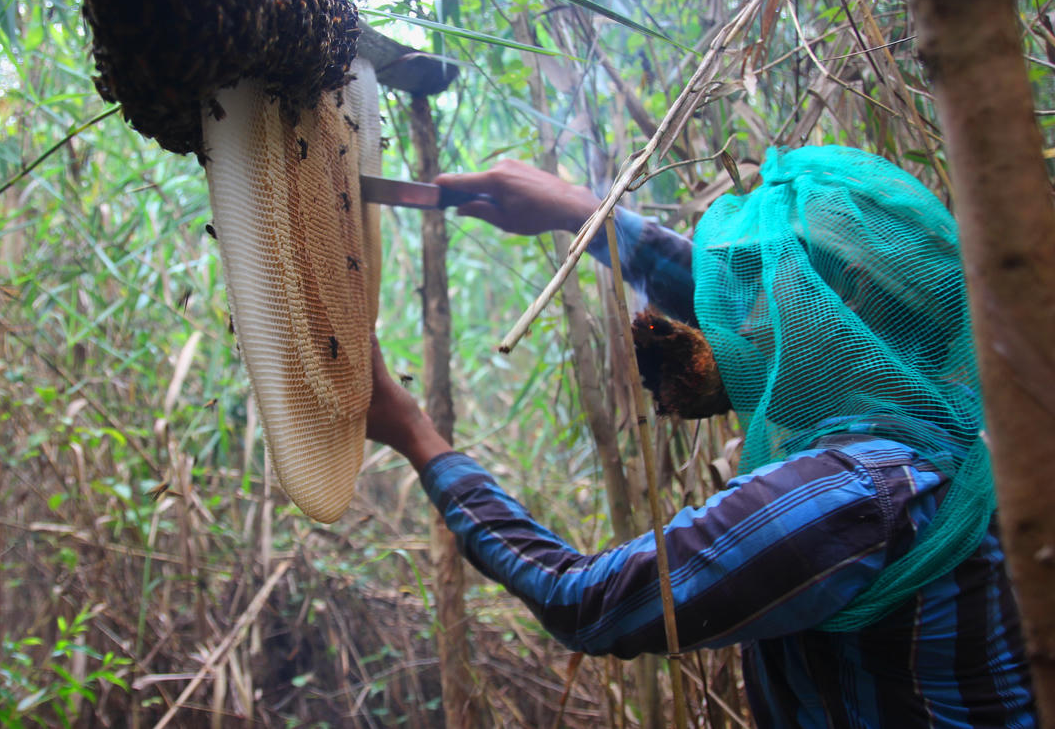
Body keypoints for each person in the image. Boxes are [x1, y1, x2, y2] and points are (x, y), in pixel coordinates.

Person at [365, 148, 1036, 727]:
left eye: (772, 279)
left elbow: (584, 599)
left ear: (844, 301)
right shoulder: (958, 414)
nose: (744, 311)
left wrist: (418, 436)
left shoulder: (854, 498)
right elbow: (747, 305)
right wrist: (583, 213)